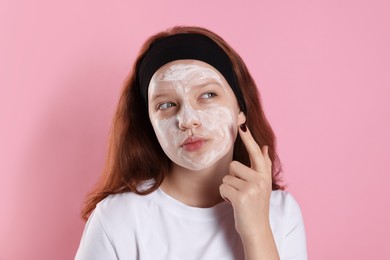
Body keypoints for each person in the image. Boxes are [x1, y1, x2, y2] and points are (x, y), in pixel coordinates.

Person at [75, 26, 307, 260]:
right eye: (166, 105)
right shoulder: (117, 217)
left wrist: (257, 230)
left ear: (240, 109)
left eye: (207, 95)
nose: (188, 120)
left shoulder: (281, 212)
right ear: (150, 124)